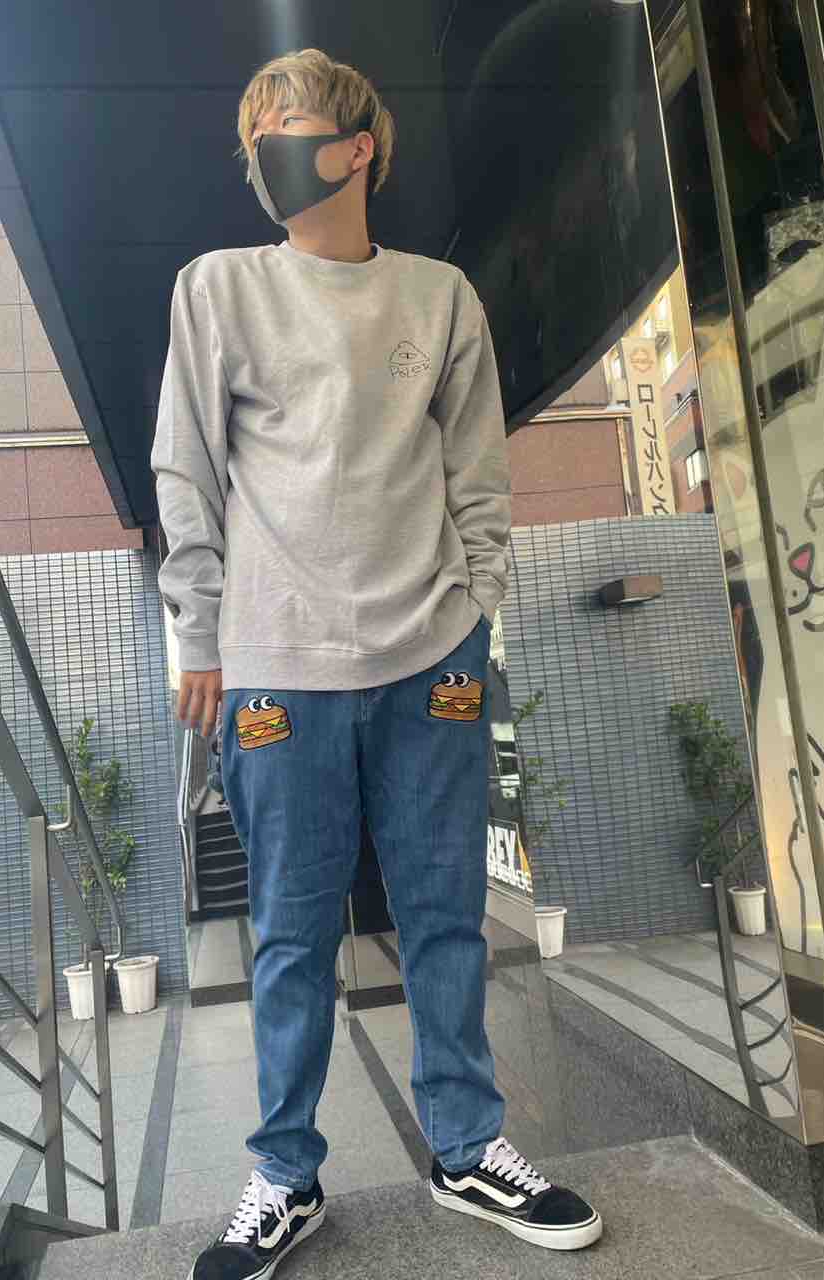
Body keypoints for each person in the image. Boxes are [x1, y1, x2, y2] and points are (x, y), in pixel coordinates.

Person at [150, 46, 603, 1280]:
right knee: (292, 932)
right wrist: (198, 633)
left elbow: (478, 474)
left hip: (430, 655)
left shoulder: (440, 297)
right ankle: (285, 1173)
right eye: (256, 136)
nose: (268, 152)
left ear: (358, 148)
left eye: (289, 126)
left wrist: (477, 610)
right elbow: (185, 467)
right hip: (276, 665)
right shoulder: (220, 287)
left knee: (445, 912)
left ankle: (466, 1146)